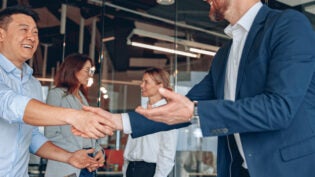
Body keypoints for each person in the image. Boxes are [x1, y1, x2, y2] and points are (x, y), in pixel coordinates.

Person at [76, 0, 315, 177]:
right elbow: (179, 108)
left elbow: (279, 109)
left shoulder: (288, 25)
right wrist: (119, 122)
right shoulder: (224, 54)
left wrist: (196, 111)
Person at [0, 6, 113, 176]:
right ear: (1, 34)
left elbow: (32, 138)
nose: (31, 37)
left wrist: (69, 157)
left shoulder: (33, 85)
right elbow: (9, 104)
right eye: (24, 29)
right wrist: (74, 116)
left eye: (35, 32)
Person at [44, 53, 105, 177]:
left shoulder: (82, 98)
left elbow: (89, 134)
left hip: (88, 164)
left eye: (91, 71)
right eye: (87, 70)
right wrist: (78, 153)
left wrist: (99, 151)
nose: (90, 74)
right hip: (67, 165)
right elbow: (51, 134)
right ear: (74, 70)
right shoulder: (56, 94)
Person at [122, 67, 178, 177]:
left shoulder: (167, 113)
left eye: (146, 82)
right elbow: (131, 145)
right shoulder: (140, 111)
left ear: (160, 86)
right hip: (132, 169)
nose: (141, 85)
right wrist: (125, 171)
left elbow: (168, 152)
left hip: (150, 171)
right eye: (142, 81)